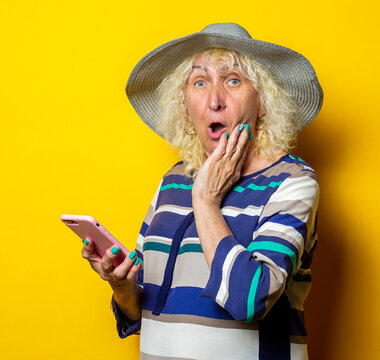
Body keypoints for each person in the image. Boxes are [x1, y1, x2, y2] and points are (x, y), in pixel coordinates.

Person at [81, 23, 321, 360]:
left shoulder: (292, 181)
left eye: (233, 80)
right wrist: (122, 285)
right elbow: (144, 312)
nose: (214, 100)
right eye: (200, 82)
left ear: (263, 102)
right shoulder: (174, 181)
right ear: (185, 105)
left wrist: (205, 202)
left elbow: (250, 300)